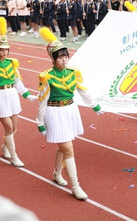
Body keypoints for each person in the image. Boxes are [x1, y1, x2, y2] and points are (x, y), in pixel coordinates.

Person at [36, 27, 103, 200]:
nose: (64, 60)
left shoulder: (74, 73)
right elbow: (43, 100)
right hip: (55, 112)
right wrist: (40, 122)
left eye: (66, 56)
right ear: (53, 59)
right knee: (68, 148)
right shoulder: (46, 76)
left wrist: (94, 105)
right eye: (60, 57)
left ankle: (57, 174)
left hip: (70, 111)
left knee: (63, 146)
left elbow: (83, 90)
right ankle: (75, 185)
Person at [0, 17, 37, 167]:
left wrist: (27, 95)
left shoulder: (12, 63)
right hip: (0, 96)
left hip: (12, 95)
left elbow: (18, 82)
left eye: (6, 49)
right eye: (1, 49)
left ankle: (5, 146)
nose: (4, 52)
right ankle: (14, 156)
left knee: (14, 127)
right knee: (8, 127)